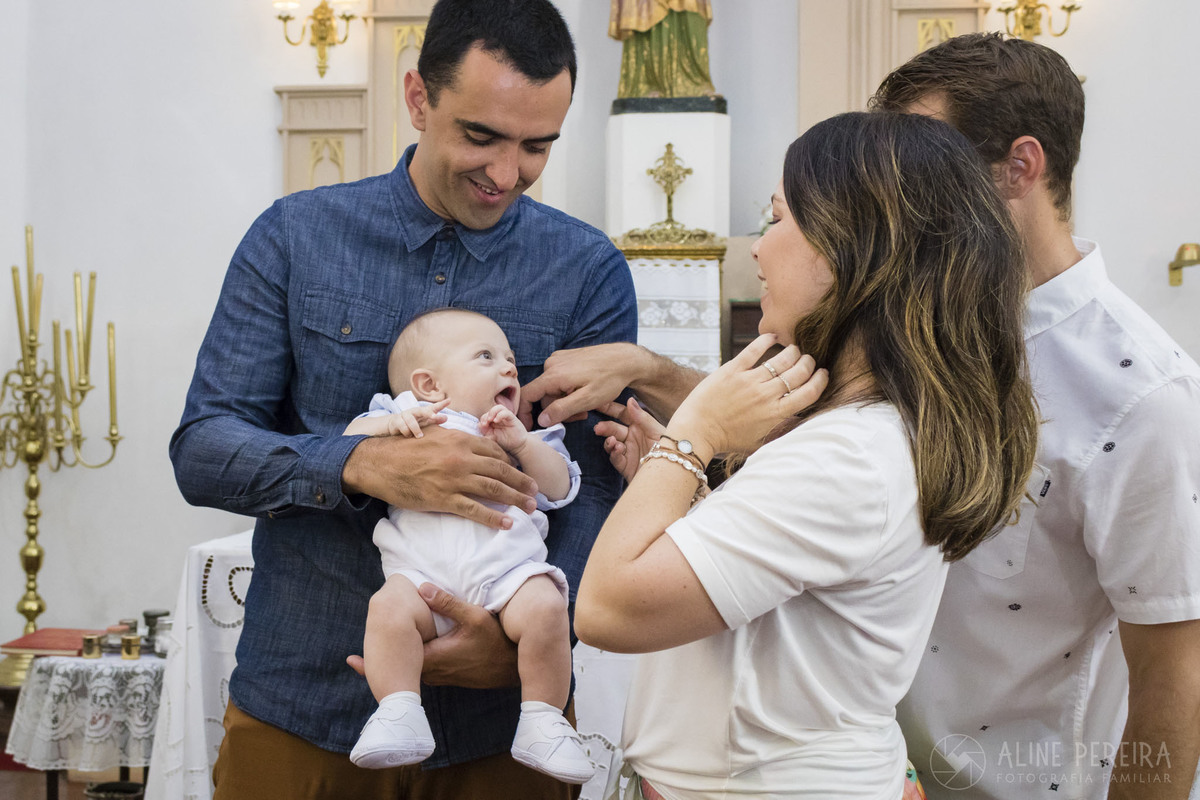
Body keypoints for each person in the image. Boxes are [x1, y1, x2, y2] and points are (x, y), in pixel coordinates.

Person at [168, 0, 637, 796]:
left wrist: (515, 635)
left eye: (537, 147)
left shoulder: (586, 270)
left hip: (499, 728)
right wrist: (362, 465)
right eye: (481, 136)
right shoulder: (294, 236)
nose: (505, 173)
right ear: (419, 98)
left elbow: (591, 496)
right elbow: (204, 450)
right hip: (308, 699)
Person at [573, 110, 1039, 799]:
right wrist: (683, 489)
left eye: (779, 218)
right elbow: (781, 612)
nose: (758, 250)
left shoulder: (845, 455)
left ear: (855, 249)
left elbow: (607, 610)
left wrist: (690, 436)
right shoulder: (872, 433)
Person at [869, 33, 1200, 799]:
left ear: (1020, 166)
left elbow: (1171, 672)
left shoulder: (1144, 396)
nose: (902, 200)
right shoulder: (915, 325)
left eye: (929, 170)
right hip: (885, 773)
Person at [345, 308, 592, 784]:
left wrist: (522, 445)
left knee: (546, 608)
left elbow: (561, 489)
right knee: (387, 611)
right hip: (419, 578)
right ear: (430, 386)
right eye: (486, 356)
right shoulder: (400, 415)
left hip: (508, 577)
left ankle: (543, 720)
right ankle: (398, 712)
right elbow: (347, 443)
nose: (509, 368)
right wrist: (389, 429)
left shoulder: (527, 435)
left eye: (511, 359)